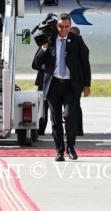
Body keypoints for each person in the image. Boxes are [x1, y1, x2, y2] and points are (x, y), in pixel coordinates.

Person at [33, 12, 92, 162]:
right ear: (56, 26)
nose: (63, 30)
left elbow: (85, 63)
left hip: (71, 86)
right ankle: (59, 150)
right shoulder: (50, 39)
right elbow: (36, 64)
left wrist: (87, 84)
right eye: (60, 26)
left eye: (66, 27)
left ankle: (70, 147)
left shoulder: (77, 40)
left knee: (69, 116)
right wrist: (44, 48)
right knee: (56, 120)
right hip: (53, 85)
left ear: (70, 26)